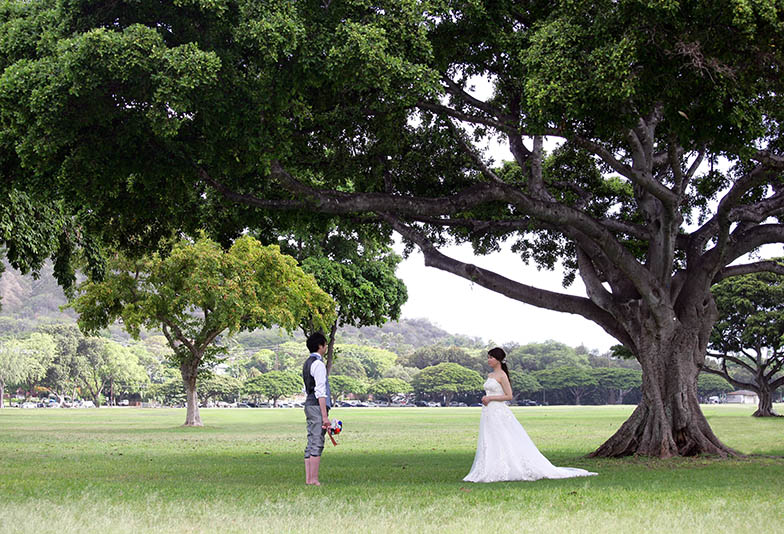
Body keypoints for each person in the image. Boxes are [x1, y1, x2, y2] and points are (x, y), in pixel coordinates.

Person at [463, 347, 597, 483]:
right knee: (490, 439)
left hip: (498, 411)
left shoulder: (502, 375)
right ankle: (489, 466)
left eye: (491, 357)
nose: (488, 360)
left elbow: (509, 396)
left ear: (498, 360)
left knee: (503, 438)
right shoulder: (490, 375)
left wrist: (490, 398)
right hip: (489, 412)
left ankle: (507, 467)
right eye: (488, 357)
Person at [302, 332, 332, 486]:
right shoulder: (318, 364)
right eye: (325, 344)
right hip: (316, 405)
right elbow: (321, 392)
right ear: (320, 346)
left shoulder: (307, 363)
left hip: (308, 404)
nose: (326, 347)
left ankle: (309, 479)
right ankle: (313, 479)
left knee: (311, 440)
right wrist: (325, 416)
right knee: (317, 441)